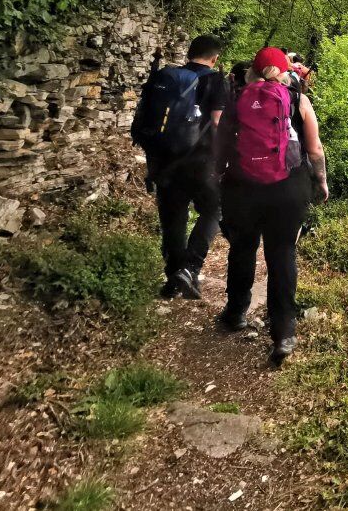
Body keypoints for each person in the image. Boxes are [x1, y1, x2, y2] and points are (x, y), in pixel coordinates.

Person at [216, 47, 329, 365]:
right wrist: (320, 182)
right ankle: (283, 333)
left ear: (253, 71)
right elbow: (315, 149)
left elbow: (221, 146)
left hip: (242, 186)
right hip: (288, 189)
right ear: (286, 71)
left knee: (242, 248)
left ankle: (236, 312)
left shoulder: (238, 98)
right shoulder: (298, 100)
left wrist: (219, 179)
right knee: (281, 255)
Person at [131, 34, 230, 299]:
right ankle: (190, 267)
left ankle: (173, 278)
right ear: (215, 58)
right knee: (214, 210)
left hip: (165, 160)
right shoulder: (216, 80)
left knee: (173, 219)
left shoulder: (168, 78)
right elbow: (218, 123)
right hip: (201, 162)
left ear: (189, 53)